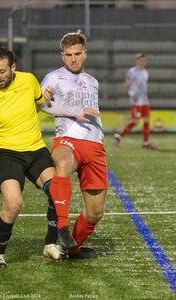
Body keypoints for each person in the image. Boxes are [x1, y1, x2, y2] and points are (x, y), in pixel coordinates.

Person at [0, 47, 95, 268]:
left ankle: (50, 244)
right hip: (6, 154)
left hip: (35, 150)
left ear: (13, 67)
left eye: (2, 71)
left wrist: (72, 111)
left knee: (57, 190)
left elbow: (42, 105)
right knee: (13, 204)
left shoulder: (29, 81)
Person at [40, 31, 108, 259]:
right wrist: (43, 96)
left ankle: (69, 248)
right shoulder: (53, 78)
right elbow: (43, 105)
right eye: (68, 54)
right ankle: (62, 226)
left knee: (95, 212)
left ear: (85, 54)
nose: (73, 58)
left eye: (77, 54)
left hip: (95, 146)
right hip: (67, 139)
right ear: (62, 56)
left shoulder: (92, 81)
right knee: (62, 162)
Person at [114, 53, 157, 150]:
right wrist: (132, 94)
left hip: (144, 100)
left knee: (146, 120)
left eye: (144, 60)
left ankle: (145, 143)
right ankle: (119, 136)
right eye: (141, 60)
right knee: (135, 122)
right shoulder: (132, 71)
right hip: (136, 101)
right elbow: (127, 85)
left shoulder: (145, 72)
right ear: (137, 61)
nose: (142, 62)